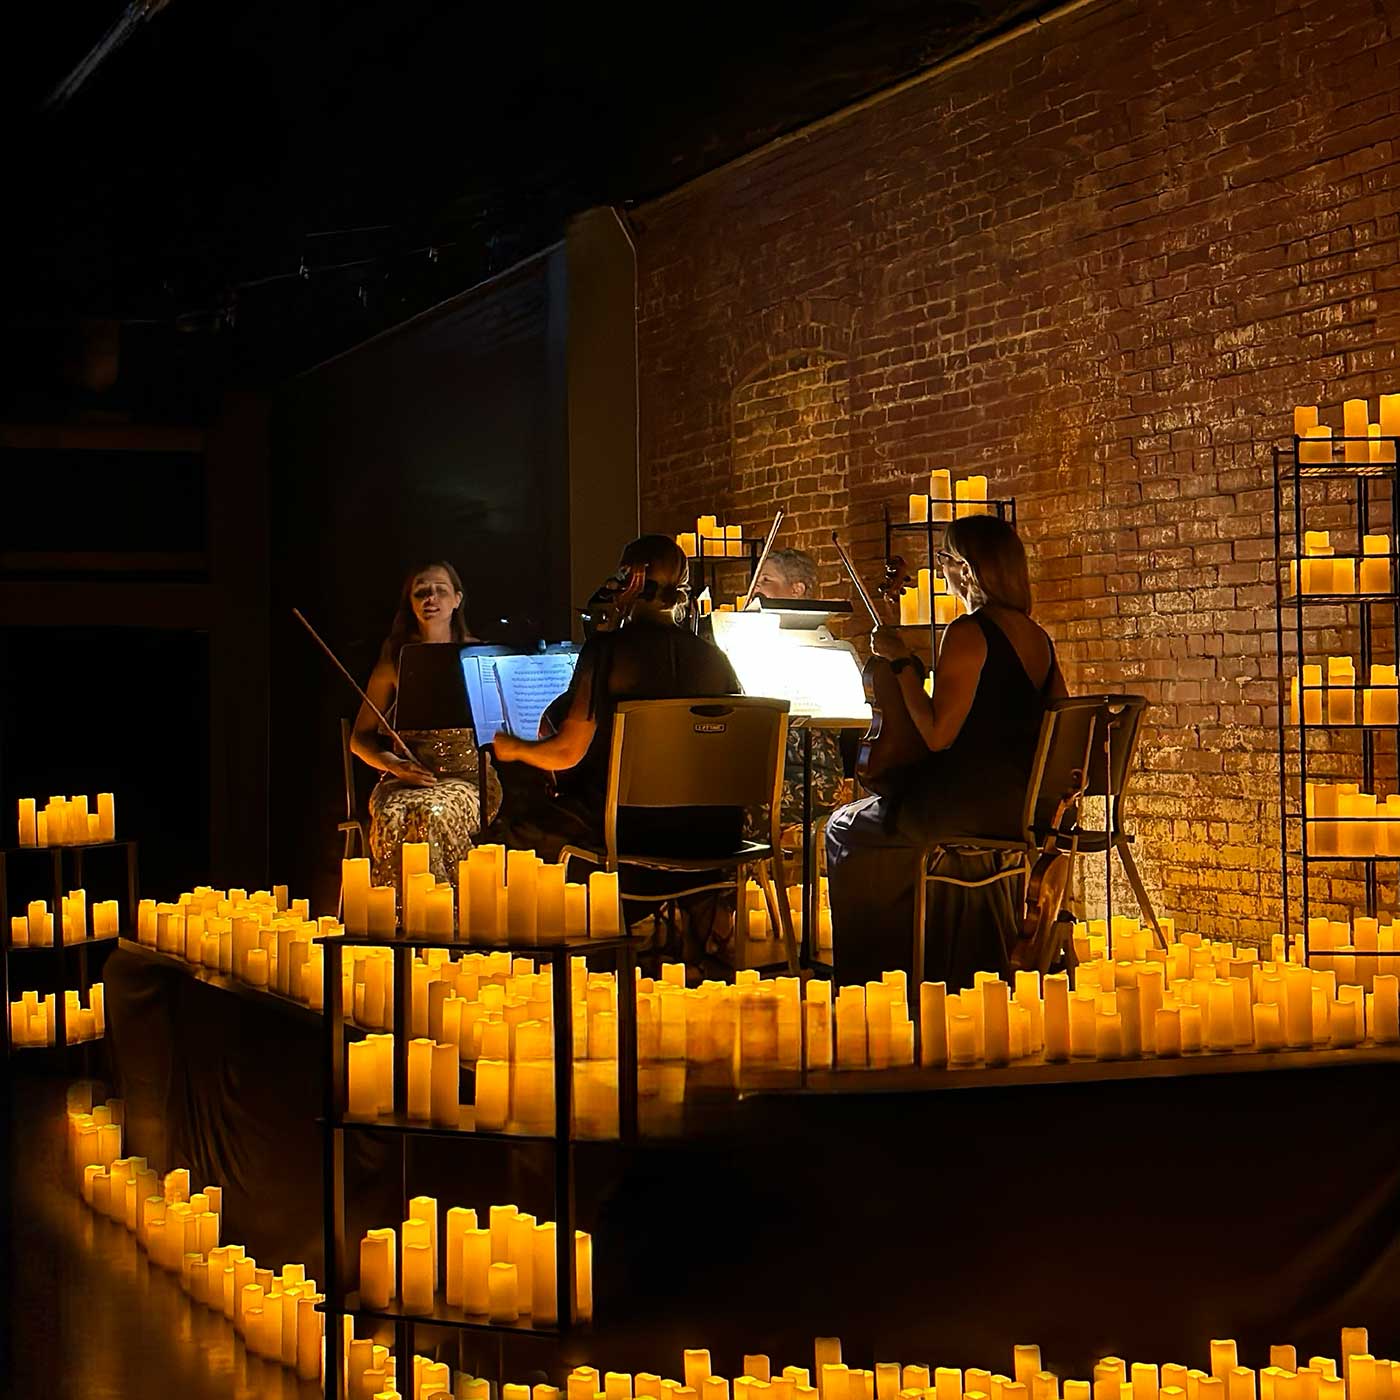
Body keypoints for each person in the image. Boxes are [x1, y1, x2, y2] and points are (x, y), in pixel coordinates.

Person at [825, 515, 1067, 989]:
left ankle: (878, 977)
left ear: (969, 570)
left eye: (947, 559)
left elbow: (938, 734)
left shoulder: (967, 632)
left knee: (843, 827)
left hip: (965, 808)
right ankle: (951, 956)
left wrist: (899, 661)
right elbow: (1054, 720)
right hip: (1022, 806)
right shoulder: (1038, 637)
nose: (942, 569)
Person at [490, 534, 742, 863]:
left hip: (629, 829)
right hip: (712, 833)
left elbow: (566, 752)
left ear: (627, 578)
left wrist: (512, 747)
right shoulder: (715, 659)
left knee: (514, 827)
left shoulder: (608, 653)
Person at [350, 561, 501, 896]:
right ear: (412, 603)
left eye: (440, 590)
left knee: (433, 811)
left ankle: (450, 914)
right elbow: (359, 739)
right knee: (392, 813)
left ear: (457, 599)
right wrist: (394, 765)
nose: (430, 597)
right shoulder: (394, 658)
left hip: (468, 779)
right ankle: (396, 918)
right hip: (404, 779)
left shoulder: (481, 655)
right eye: (421, 592)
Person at [748, 547, 850, 825]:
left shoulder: (825, 647)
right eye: (756, 580)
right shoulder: (750, 643)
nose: (756, 589)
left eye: (766, 580)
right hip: (762, 771)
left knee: (731, 811)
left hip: (811, 778)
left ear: (797, 589)